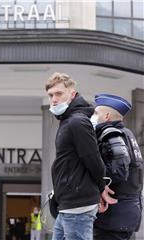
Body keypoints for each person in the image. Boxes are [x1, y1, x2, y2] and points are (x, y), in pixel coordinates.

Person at [44, 72, 117, 240]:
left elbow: (93, 160)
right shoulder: (68, 121)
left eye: (59, 93)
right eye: (50, 95)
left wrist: (100, 188)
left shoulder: (77, 122)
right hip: (68, 204)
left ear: (72, 94)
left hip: (78, 204)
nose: (54, 99)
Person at [91, 94, 143, 240]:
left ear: (107, 116)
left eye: (96, 113)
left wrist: (94, 177)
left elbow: (118, 171)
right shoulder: (127, 134)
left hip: (113, 218)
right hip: (125, 215)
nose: (93, 116)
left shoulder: (111, 135)